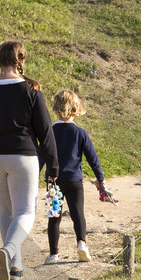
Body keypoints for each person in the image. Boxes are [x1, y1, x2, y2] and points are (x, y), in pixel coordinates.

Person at [0, 40, 59, 280]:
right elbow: (46, 132)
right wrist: (53, 166)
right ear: (21, 61)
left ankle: (15, 267)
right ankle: (8, 251)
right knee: (26, 211)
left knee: (6, 212)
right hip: (23, 156)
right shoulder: (31, 90)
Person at [49, 89, 107, 263]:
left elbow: (41, 155)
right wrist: (100, 179)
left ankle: (53, 254)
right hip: (74, 180)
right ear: (76, 108)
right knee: (77, 214)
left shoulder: (50, 132)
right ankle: (81, 243)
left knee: (54, 217)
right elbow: (93, 158)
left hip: (54, 182)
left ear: (55, 108)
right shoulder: (80, 133)